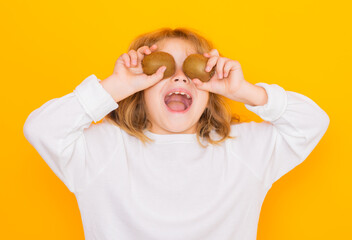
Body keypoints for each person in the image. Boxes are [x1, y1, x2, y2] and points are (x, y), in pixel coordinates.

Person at [23, 27, 330, 240]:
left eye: (192, 69)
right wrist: (116, 86)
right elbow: (41, 129)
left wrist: (244, 91)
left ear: (208, 85)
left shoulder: (243, 150)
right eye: (166, 70)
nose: (181, 79)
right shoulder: (104, 150)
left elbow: (312, 122)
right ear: (142, 87)